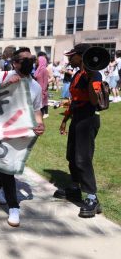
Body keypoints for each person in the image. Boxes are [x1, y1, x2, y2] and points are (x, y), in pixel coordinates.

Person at [0, 47, 45, 227]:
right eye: (24, 59)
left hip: (20, 131)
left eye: (31, 59)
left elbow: (37, 109)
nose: (29, 62)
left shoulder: (35, 86)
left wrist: (40, 123)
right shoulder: (3, 76)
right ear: (15, 63)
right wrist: (5, 86)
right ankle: (14, 206)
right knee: (9, 166)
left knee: (9, 164)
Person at [54, 43, 103, 218]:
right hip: (77, 118)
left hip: (88, 119)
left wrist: (91, 77)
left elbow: (94, 100)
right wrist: (65, 119)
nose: (68, 58)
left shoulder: (93, 74)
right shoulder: (77, 73)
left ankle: (92, 197)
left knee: (83, 158)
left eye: (72, 55)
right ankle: (75, 188)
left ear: (82, 56)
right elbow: (75, 99)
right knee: (71, 155)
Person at [35, 52, 50, 118]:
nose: (36, 62)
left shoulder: (44, 70)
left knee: (42, 104)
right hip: (37, 89)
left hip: (42, 90)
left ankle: (44, 114)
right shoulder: (38, 69)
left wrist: (43, 92)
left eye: (38, 61)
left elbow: (45, 82)